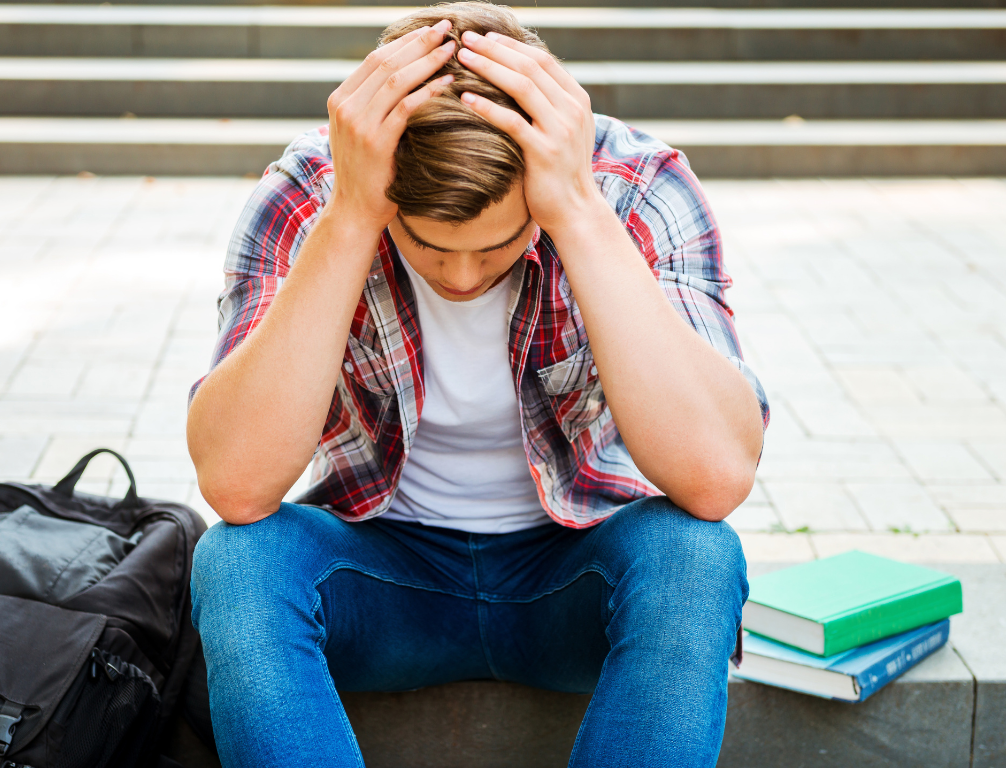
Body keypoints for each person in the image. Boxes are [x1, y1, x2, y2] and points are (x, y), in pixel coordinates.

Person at [186, 3, 769, 766]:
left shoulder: (632, 186)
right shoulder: (315, 191)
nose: (462, 276)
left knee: (697, 554)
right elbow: (236, 484)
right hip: (382, 578)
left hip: (575, 576)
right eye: (427, 246)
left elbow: (717, 476)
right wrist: (353, 217)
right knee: (236, 560)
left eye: (497, 245)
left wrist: (578, 216)